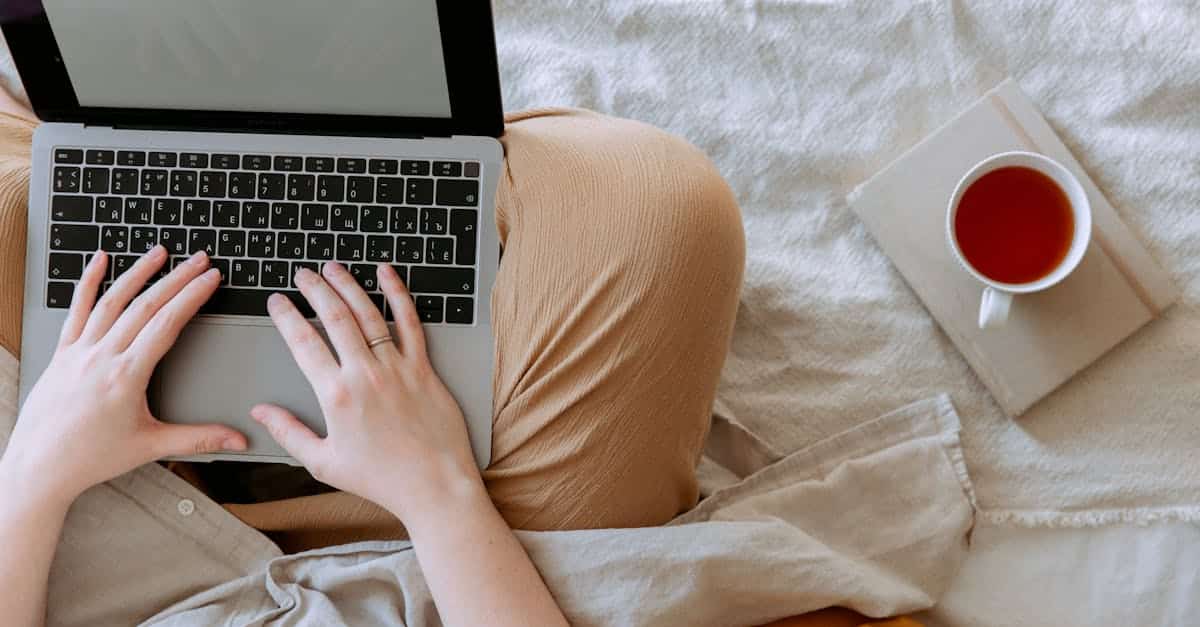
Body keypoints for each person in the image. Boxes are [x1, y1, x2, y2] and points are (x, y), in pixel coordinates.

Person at [0, 89, 747, 624]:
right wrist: (435, 486)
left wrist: (37, 464)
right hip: (417, 557)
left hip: (63, 504)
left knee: (55, 190)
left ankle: (171, 116)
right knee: (663, 214)